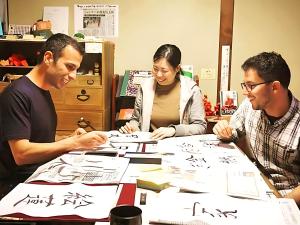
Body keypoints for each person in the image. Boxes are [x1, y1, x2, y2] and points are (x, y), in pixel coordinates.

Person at [0, 33, 107, 180]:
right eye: (70, 67)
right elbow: (21, 154)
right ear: (48, 58)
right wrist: (73, 143)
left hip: (45, 172)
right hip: (21, 184)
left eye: (76, 69)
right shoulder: (17, 94)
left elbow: (40, 138)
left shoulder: (43, 91)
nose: (74, 76)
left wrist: (67, 138)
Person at [213, 52, 300, 204]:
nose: (245, 92)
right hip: (252, 183)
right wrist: (224, 130)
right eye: (245, 85)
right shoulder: (250, 106)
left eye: (251, 86)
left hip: (285, 197)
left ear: (275, 87)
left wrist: (283, 204)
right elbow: (233, 132)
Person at [119, 44, 207, 140]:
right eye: (155, 69)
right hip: (151, 143)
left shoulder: (191, 89)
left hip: (178, 144)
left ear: (177, 68)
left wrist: (173, 130)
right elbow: (136, 119)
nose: (159, 75)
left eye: (164, 71)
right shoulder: (145, 86)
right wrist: (132, 127)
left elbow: (200, 126)